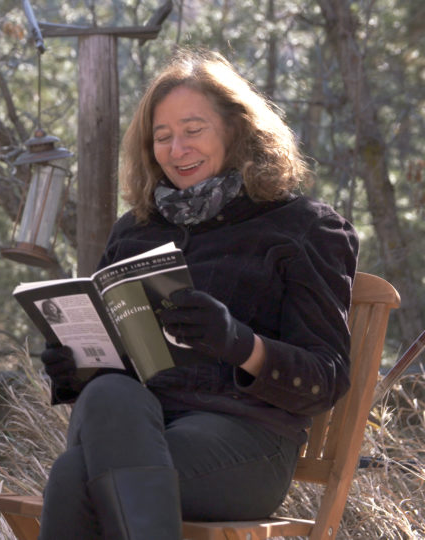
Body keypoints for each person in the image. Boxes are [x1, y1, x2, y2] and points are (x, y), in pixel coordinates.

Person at [37, 49, 358, 539]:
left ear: (237, 129)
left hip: (245, 443)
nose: (176, 148)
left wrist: (237, 342)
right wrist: (76, 365)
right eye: (161, 137)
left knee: (73, 477)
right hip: (135, 425)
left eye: (193, 130)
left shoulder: (301, 227)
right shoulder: (136, 231)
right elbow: (116, 366)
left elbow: (326, 379)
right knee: (106, 391)